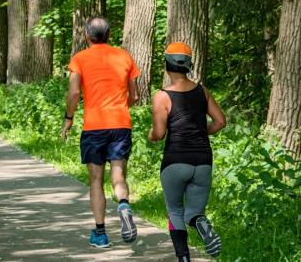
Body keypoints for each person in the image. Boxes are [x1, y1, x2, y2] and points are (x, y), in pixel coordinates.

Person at [61, 17, 140, 248]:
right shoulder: (124, 56)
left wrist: (69, 117)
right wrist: (121, 109)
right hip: (120, 125)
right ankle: (124, 204)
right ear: (109, 34)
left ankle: (101, 234)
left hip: (94, 127)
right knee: (118, 175)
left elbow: (74, 93)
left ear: (87, 35)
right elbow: (134, 96)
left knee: (96, 180)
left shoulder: (79, 59)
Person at [148, 42, 226, 261]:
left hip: (175, 161)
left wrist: (151, 135)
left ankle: (183, 257)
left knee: (175, 212)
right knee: (193, 213)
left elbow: (160, 133)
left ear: (167, 66)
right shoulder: (202, 91)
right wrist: (201, 131)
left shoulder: (162, 96)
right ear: (188, 65)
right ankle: (200, 223)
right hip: (203, 161)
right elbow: (220, 122)